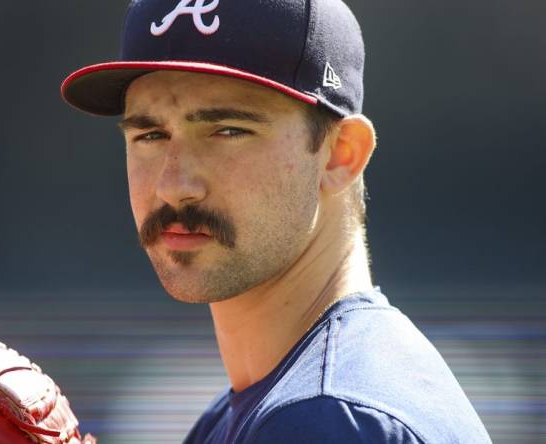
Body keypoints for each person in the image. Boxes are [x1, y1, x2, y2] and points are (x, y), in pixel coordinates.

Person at [61, 0, 492, 442]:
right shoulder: (269, 406)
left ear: (341, 154)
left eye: (228, 130)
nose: (174, 186)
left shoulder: (328, 418)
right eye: (150, 135)